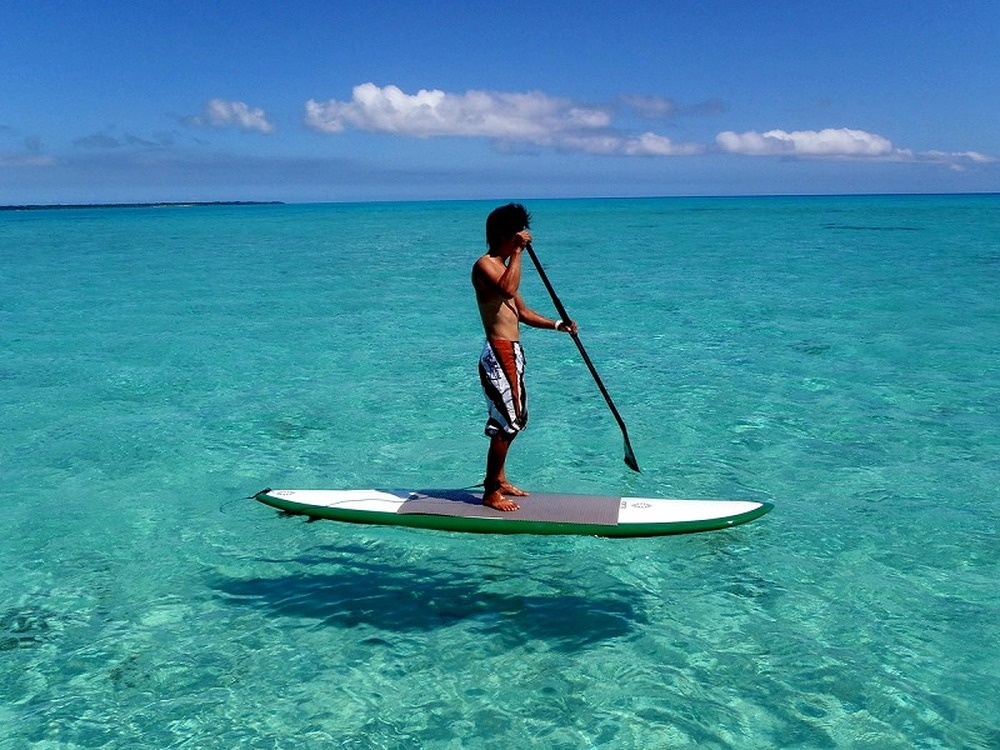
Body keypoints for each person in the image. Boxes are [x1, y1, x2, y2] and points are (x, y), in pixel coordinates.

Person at [472, 204, 577, 511]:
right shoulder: (485, 265)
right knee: (507, 422)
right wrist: (518, 253)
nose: (521, 241)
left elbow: (523, 312)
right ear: (505, 236)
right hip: (499, 352)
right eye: (516, 236)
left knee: (516, 419)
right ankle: (490, 492)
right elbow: (508, 289)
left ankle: (500, 479)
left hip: (512, 352)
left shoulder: (505, 269)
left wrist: (558, 325)